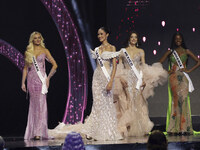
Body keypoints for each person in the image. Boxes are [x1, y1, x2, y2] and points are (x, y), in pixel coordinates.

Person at [48, 27, 122, 141]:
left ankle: (106, 131)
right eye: (98, 34)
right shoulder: (97, 49)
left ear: (107, 34)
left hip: (107, 78)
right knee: (97, 104)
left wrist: (111, 81)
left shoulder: (112, 48)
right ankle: (94, 131)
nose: (100, 36)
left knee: (106, 104)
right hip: (97, 78)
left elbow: (115, 66)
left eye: (102, 34)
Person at [113, 31, 168, 137]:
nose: (133, 39)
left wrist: (142, 79)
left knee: (138, 102)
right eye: (132, 37)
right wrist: (120, 78)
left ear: (137, 39)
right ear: (128, 38)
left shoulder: (141, 51)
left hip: (137, 78)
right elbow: (119, 66)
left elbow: (143, 66)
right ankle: (128, 128)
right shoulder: (122, 51)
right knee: (127, 102)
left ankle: (139, 127)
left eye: (135, 37)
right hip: (126, 78)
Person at [160, 32, 200, 135]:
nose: (178, 41)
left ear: (182, 40)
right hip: (173, 78)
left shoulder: (186, 51)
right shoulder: (170, 52)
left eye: (180, 39)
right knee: (176, 100)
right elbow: (159, 63)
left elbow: (198, 61)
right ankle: (174, 128)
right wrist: (167, 71)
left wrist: (189, 70)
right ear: (174, 40)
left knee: (184, 100)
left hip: (183, 78)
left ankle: (184, 127)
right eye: (176, 39)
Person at [21, 31, 58, 140]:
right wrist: (23, 82)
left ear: (41, 39)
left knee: (41, 106)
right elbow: (25, 68)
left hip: (41, 81)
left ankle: (39, 132)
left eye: (39, 38)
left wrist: (48, 78)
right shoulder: (28, 52)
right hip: (31, 82)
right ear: (32, 40)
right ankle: (33, 132)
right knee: (34, 106)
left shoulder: (45, 51)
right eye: (35, 38)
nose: (37, 40)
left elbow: (55, 65)